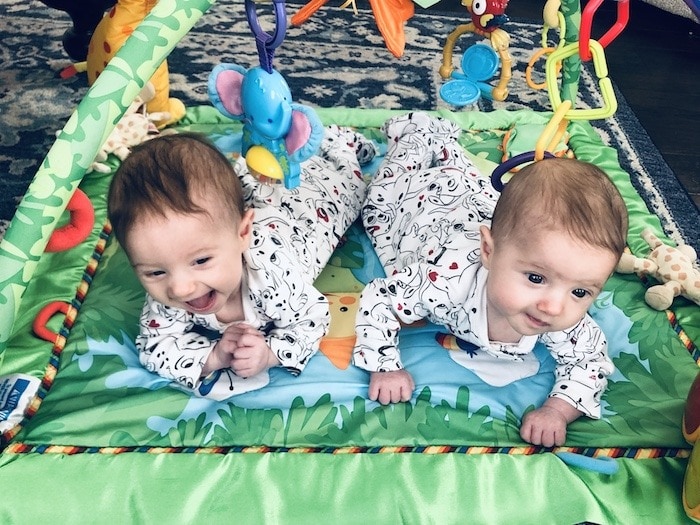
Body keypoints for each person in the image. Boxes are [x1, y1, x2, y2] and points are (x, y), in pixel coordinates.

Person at [353, 112, 628, 446]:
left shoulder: (567, 318)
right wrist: (385, 367)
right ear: (488, 251)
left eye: (581, 291)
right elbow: (381, 298)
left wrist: (557, 410)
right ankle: (417, 131)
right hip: (424, 212)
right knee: (382, 196)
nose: (554, 306)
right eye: (536, 278)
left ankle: (446, 150)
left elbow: (589, 362)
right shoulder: (445, 283)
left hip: (479, 206)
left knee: (490, 198)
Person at [108, 128, 375, 400]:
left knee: (344, 186)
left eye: (201, 261)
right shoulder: (168, 292)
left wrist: (270, 354)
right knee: (238, 187)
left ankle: (334, 139)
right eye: (154, 272)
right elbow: (154, 347)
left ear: (242, 234)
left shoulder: (273, 278)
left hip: (306, 213)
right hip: (249, 205)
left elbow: (313, 317)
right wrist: (214, 356)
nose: (180, 288)